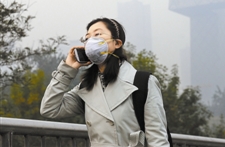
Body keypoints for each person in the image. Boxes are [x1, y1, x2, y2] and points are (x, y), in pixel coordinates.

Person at [40, 17, 170, 147]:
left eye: (97, 34)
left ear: (117, 43)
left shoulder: (142, 82)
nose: (91, 40)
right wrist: (67, 71)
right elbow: (49, 109)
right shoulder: (86, 87)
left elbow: (158, 139)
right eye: (87, 38)